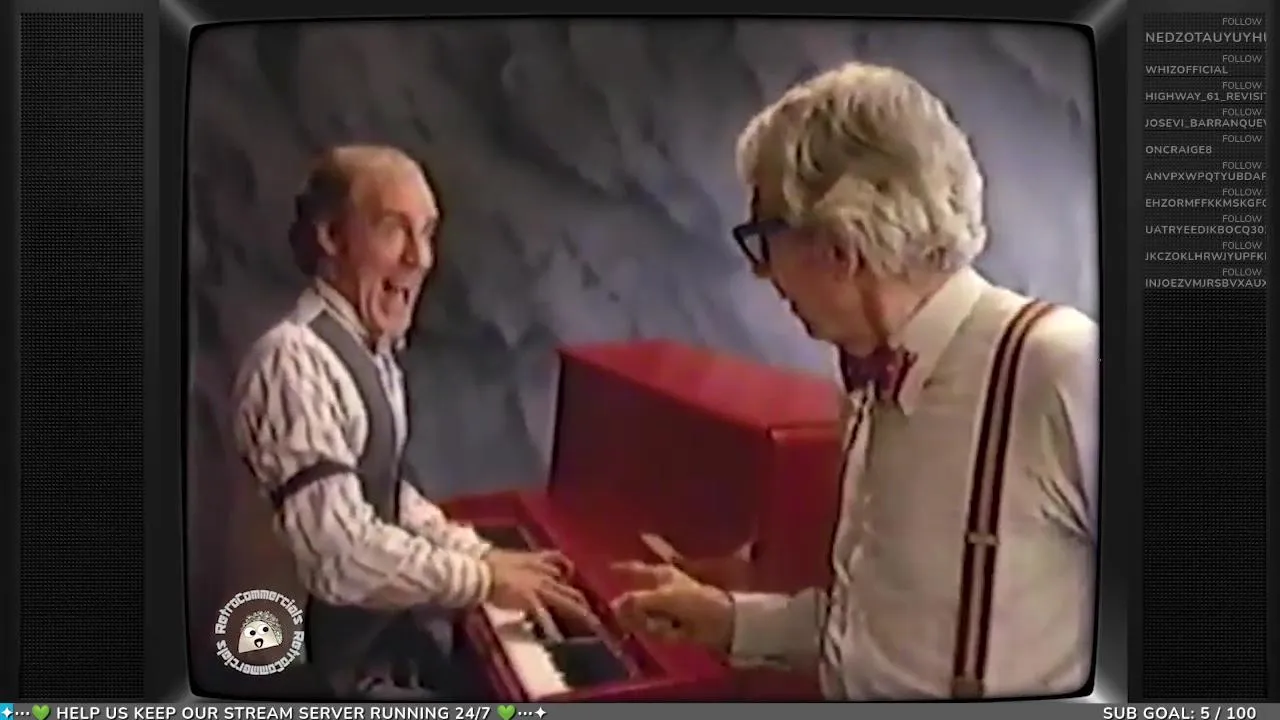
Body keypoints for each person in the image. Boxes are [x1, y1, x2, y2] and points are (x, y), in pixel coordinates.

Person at [611, 62, 1098, 700]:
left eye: (764, 236)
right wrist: (730, 621)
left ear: (838, 244)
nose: (761, 272)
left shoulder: (1060, 366)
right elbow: (873, 634)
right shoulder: (869, 385)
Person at [232, 144, 594, 699]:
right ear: (332, 237)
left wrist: (480, 553)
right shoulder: (292, 361)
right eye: (394, 230)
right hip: (298, 673)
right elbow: (339, 556)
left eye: (426, 233)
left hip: (367, 652)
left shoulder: (367, 351)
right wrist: (480, 579)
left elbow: (383, 494)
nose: (420, 258)